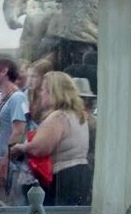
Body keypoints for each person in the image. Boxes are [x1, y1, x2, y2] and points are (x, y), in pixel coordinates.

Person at [11, 71, 92, 206]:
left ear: (54, 92)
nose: (40, 94)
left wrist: (21, 148)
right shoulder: (77, 114)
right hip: (80, 173)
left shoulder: (58, 117)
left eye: (43, 90)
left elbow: (39, 149)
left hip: (63, 177)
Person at [0, 58, 28, 206]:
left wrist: (5, 162)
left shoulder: (18, 98)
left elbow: (19, 131)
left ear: (4, 71)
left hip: (9, 166)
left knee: (8, 205)